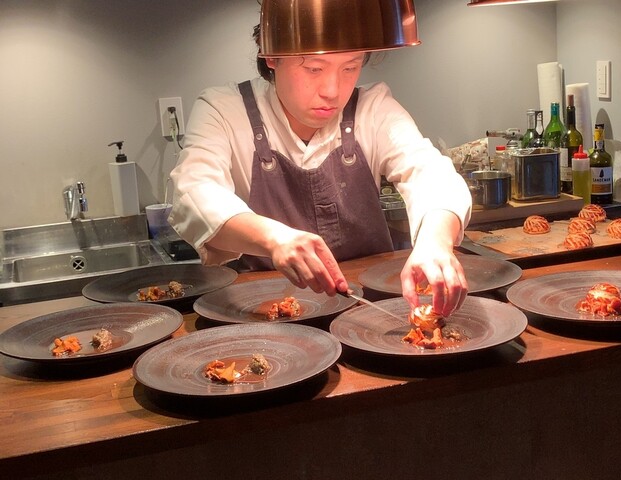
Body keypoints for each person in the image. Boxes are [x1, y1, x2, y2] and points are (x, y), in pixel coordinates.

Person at [169, 0, 472, 317]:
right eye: (314, 69)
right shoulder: (223, 110)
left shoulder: (373, 108)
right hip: (264, 315)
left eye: (350, 68)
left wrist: (435, 242)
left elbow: (430, 172)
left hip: (369, 315)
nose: (332, 90)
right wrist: (274, 239)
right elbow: (194, 191)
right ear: (271, 56)